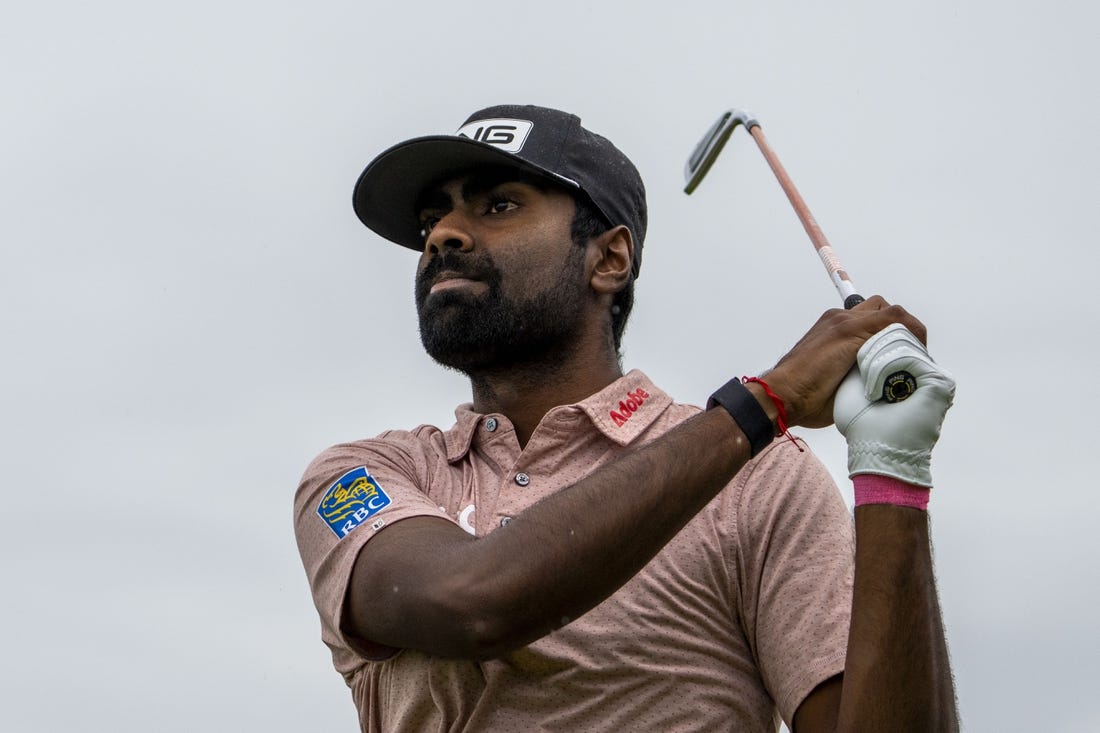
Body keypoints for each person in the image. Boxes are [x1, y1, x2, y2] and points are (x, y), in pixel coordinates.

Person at [294, 104, 959, 732]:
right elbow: (473, 602)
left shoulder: (759, 482)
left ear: (609, 258)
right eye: (431, 220)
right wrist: (765, 402)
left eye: (498, 205)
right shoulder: (365, 475)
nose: (443, 233)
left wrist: (891, 474)